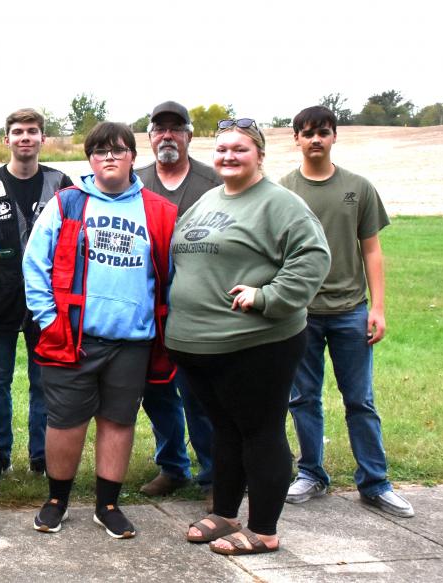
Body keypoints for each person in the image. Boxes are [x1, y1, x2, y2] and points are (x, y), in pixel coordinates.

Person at [169, 118, 330, 555]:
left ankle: (263, 529)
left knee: (260, 432)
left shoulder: (280, 203)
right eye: (221, 149)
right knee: (226, 431)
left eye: (239, 149)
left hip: (257, 343)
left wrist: (268, 296)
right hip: (201, 344)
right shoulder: (207, 199)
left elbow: (314, 257)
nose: (228, 156)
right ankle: (224, 513)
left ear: (259, 154)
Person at [23, 122, 176, 540]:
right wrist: (49, 318)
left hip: (132, 341)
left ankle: (107, 505)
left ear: (132, 157)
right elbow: (34, 265)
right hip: (74, 337)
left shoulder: (158, 211)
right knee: (66, 422)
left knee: (118, 421)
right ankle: (57, 500)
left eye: (118, 150)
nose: (109, 157)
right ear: (90, 159)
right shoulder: (68, 203)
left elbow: (172, 275)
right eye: (100, 151)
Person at [281, 105, 413, 518]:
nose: (315, 139)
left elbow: (371, 250)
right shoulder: (283, 191)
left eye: (323, 131)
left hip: (350, 311)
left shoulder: (358, 187)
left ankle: (375, 482)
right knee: (303, 398)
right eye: (307, 133)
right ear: (296, 139)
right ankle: (311, 474)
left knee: (360, 400)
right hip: (301, 313)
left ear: (334, 136)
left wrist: (378, 308)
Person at [0, 108, 73, 478]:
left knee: (42, 382)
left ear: (42, 138)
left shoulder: (61, 182)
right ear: (7, 139)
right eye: (18, 132)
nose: (25, 138)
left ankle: (40, 455)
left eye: (32, 131)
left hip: (45, 302)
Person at [133, 101, 219, 501]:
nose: (167, 135)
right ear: (149, 137)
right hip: (148, 305)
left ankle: (214, 473)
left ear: (189, 135)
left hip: (198, 303)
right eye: (159, 129)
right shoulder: (135, 182)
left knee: (199, 391)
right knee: (157, 390)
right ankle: (172, 466)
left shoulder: (213, 181)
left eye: (176, 128)